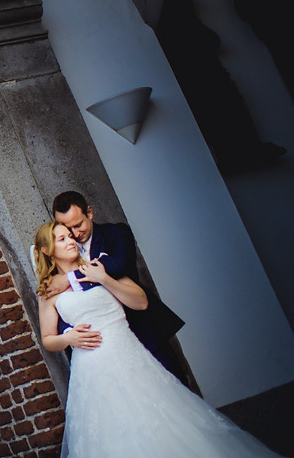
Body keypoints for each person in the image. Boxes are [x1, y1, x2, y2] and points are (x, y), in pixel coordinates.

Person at [34, 221, 280, 457]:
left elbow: (140, 302)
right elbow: (47, 339)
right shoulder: (48, 292)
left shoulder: (97, 266)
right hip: (91, 370)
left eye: (70, 234)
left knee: (161, 419)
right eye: (62, 238)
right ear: (47, 250)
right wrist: (69, 338)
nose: (71, 240)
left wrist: (104, 279)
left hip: (128, 355)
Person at [46, 190, 185, 380]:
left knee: (175, 385)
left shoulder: (116, 233)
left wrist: (70, 277)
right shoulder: (63, 254)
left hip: (141, 328)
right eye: (68, 229)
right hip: (105, 350)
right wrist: (68, 333)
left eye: (78, 225)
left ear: (90, 213)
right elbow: (62, 303)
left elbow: (119, 264)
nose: (75, 234)